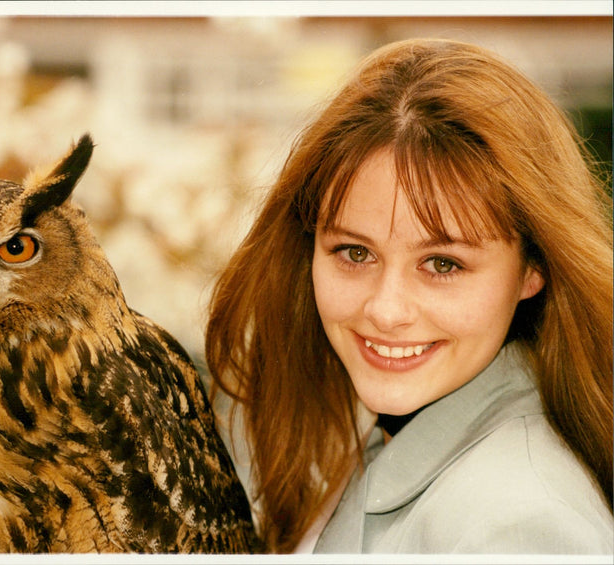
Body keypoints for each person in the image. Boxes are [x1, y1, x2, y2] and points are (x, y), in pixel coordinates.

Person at [205, 38, 613, 554]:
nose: (385, 309)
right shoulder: (395, 442)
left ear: (533, 269)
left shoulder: (517, 525)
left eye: (443, 264)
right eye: (354, 253)